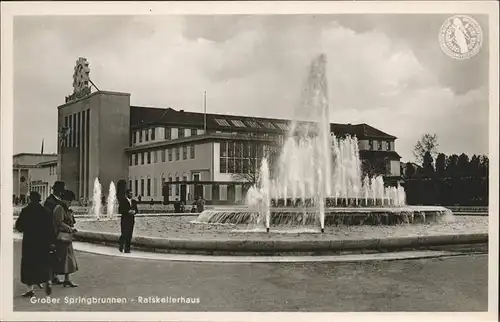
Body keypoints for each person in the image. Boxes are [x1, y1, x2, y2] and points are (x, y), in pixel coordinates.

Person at [15, 191, 56, 298]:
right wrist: (52, 242)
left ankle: (30, 290)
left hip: (30, 242)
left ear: (29, 199)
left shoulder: (25, 211)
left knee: (28, 265)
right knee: (42, 262)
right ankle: (47, 281)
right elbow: (51, 229)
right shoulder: (45, 211)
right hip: (43, 242)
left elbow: (19, 227)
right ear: (39, 199)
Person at [44, 182, 79, 287]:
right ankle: (54, 277)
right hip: (57, 235)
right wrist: (69, 228)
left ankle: (63, 278)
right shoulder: (54, 204)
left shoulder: (62, 205)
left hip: (63, 235)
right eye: (70, 201)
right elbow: (57, 221)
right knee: (61, 257)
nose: (70, 203)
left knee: (65, 257)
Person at [118, 189, 138, 253]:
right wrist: (127, 212)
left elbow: (137, 210)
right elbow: (120, 210)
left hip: (131, 220)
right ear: (127, 194)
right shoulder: (123, 201)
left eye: (132, 193)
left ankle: (127, 249)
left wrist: (134, 211)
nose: (131, 195)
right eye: (130, 193)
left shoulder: (134, 201)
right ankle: (121, 245)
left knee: (129, 235)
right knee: (124, 234)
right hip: (124, 220)